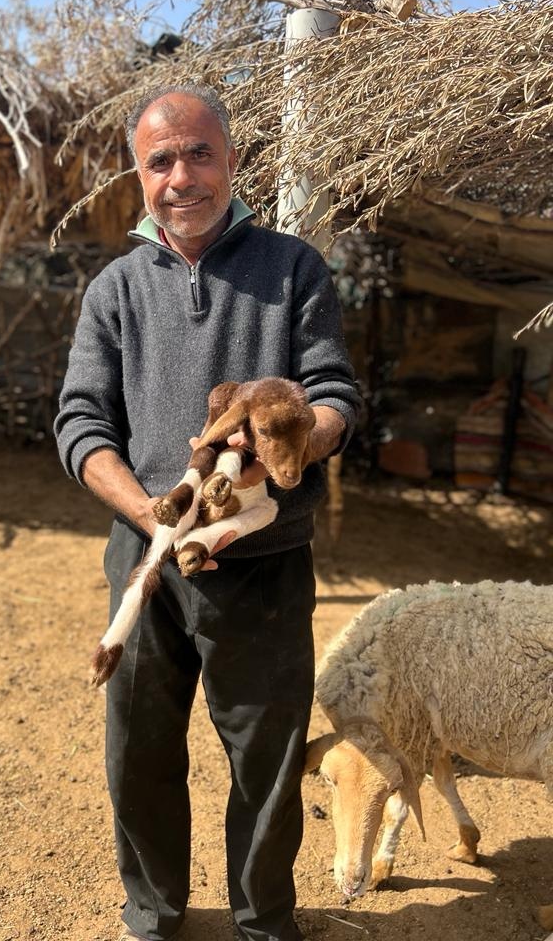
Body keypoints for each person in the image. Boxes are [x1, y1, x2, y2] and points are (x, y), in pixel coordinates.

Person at [54, 83, 360, 941]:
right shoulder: (114, 290)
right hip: (148, 563)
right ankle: (153, 911)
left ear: (231, 160)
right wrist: (153, 519)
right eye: (160, 161)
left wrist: (296, 448)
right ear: (138, 176)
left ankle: (263, 922)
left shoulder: (294, 268)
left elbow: (333, 392)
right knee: (140, 751)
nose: (181, 176)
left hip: (263, 566)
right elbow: (81, 424)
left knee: (265, 760)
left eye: (198, 154)